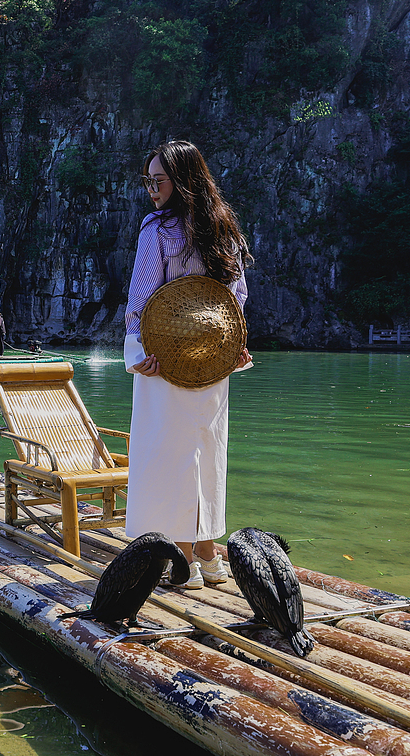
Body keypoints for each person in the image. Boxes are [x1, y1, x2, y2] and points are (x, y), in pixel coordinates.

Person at [124, 140, 254, 590]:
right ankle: (207, 553)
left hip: (165, 358)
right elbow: (235, 300)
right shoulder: (224, 228)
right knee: (206, 453)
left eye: (157, 181)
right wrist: (232, 346)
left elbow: (142, 301)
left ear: (180, 181)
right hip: (213, 358)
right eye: (148, 181)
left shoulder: (157, 230)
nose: (151, 190)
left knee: (167, 457)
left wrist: (138, 355)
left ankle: (186, 561)